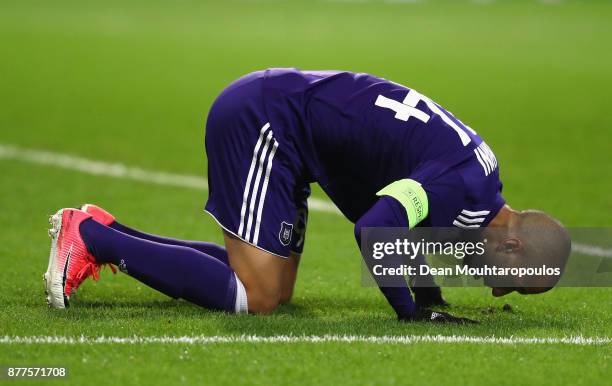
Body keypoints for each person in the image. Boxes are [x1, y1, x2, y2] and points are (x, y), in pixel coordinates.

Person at [44, 69, 571, 323]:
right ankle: (88, 237)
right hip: (268, 123)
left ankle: (108, 230)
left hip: (293, 131)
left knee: (273, 287)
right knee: (258, 298)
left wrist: (427, 286)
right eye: (516, 286)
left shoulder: (481, 182)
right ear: (513, 249)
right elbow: (373, 228)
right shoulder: (460, 189)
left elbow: (408, 210)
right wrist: (410, 312)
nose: (500, 293)